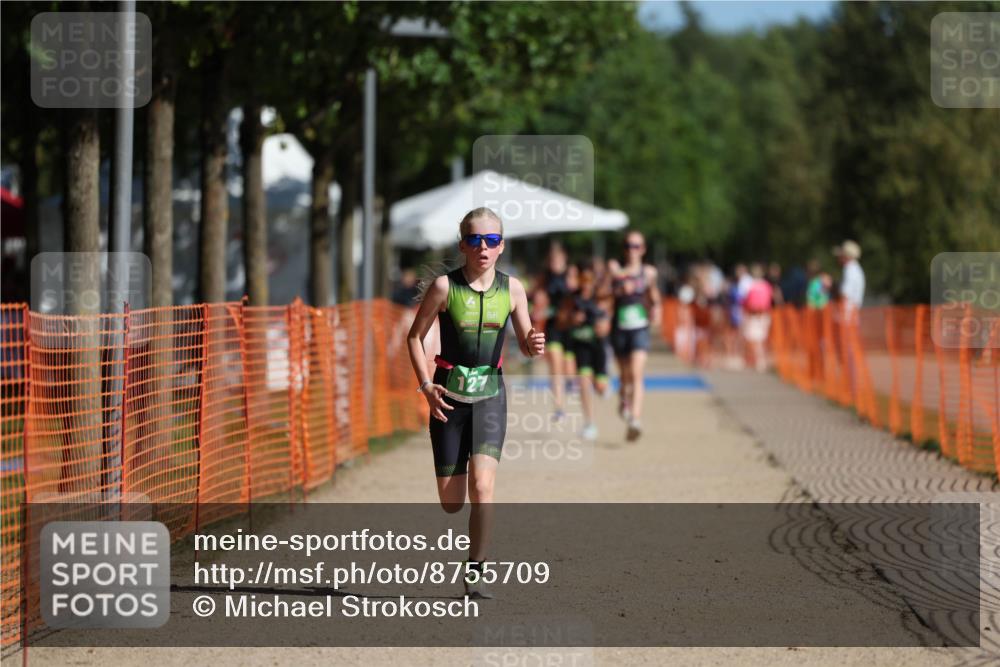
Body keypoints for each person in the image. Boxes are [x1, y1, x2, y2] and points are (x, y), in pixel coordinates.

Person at [406, 207, 545, 599]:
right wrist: (425, 386)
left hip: (490, 396)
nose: (483, 247)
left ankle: (476, 571)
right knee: (452, 503)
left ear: (501, 247)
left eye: (492, 240)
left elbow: (527, 341)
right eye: (475, 240)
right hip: (447, 398)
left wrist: (534, 342)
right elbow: (414, 338)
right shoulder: (444, 289)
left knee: (483, 488)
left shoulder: (513, 289)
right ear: (462, 245)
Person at [605, 230, 661, 441]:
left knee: (637, 374)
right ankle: (623, 401)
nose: (632, 250)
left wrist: (657, 309)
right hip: (619, 328)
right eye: (629, 245)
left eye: (637, 246)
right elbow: (604, 295)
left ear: (643, 249)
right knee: (625, 376)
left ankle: (635, 419)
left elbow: (654, 296)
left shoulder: (648, 273)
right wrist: (617, 284)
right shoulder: (615, 271)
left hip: (640, 327)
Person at [566, 261, 612, 440]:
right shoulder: (572, 298)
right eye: (582, 279)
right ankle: (590, 423)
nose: (585, 283)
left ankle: (606, 385)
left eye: (589, 279)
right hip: (580, 347)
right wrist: (572, 318)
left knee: (600, 388)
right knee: (584, 383)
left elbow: (607, 324)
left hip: (598, 348)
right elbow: (562, 319)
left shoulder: (600, 298)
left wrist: (602, 323)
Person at [531, 242, 573, 421]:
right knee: (555, 367)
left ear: (564, 259)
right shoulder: (545, 277)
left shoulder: (571, 275)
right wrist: (538, 306)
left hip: (571, 328)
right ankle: (559, 408)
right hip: (553, 327)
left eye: (558, 259)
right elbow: (534, 295)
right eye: (552, 259)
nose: (555, 262)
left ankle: (570, 384)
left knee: (569, 371)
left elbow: (583, 294)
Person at [741, 263, 773, 373]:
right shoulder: (766, 286)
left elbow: (747, 302)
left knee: (756, 340)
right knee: (760, 339)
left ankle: (760, 361)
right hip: (763, 315)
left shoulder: (752, 286)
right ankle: (760, 360)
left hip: (754, 315)